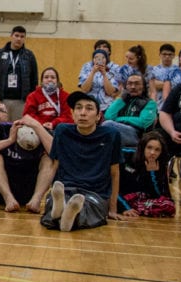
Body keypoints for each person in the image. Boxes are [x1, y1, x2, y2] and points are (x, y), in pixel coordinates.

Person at [41, 91, 124, 232]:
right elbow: (54, 166)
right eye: (78, 108)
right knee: (53, 201)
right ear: (73, 114)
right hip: (65, 187)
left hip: (95, 193)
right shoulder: (62, 131)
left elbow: (115, 172)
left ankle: (62, 215)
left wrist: (112, 208)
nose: (83, 113)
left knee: (87, 208)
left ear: (98, 116)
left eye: (89, 108)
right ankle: (62, 213)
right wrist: (38, 199)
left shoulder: (111, 135)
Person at [0, 112, 55, 213]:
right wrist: (9, 140)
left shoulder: (44, 132)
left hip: (30, 189)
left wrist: (38, 128)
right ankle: (9, 199)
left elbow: (59, 155)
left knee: (49, 159)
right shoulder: (0, 129)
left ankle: (36, 200)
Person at [0, 26, 38, 121]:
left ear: (24, 38)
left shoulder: (29, 55)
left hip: (21, 101)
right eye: (16, 35)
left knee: (18, 127)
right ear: (11, 36)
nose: (19, 39)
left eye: (22, 36)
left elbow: (34, 79)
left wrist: (30, 98)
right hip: (2, 99)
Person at [117, 131, 173, 217]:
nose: (152, 152)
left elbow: (156, 195)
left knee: (168, 205)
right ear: (142, 147)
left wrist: (152, 173)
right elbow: (112, 186)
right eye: (149, 148)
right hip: (118, 196)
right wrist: (124, 208)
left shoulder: (160, 164)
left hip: (138, 198)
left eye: (157, 150)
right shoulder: (125, 155)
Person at [102, 72, 157, 147]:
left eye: (137, 84)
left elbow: (143, 123)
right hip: (118, 131)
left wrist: (119, 119)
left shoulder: (150, 103)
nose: (133, 87)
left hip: (137, 136)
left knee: (108, 124)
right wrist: (121, 99)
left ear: (144, 87)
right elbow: (108, 116)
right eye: (129, 84)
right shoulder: (122, 101)